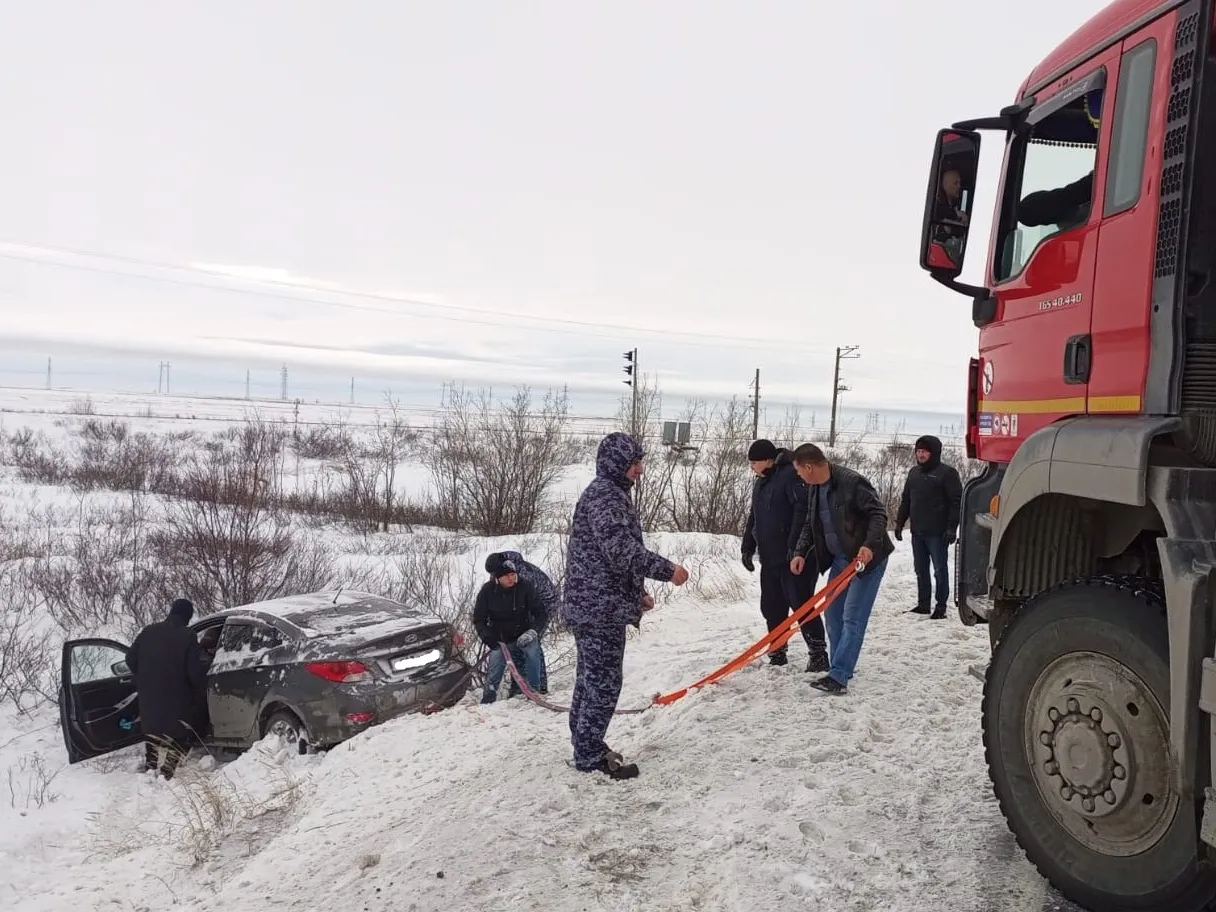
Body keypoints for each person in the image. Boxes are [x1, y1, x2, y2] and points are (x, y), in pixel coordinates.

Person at [563, 432, 689, 780]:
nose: (640, 470)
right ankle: (588, 754)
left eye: (640, 462)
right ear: (619, 464)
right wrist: (668, 571)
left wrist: (636, 595)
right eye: (635, 463)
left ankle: (585, 742)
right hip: (597, 609)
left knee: (589, 679)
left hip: (595, 604)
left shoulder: (607, 493)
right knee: (603, 682)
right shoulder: (606, 498)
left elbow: (606, 559)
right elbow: (621, 551)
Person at [790, 444, 894, 695]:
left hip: (866, 560)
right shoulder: (814, 489)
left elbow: (878, 515)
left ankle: (839, 676)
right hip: (840, 561)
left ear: (808, 467)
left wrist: (869, 546)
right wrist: (800, 552)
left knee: (852, 617)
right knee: (833, 613)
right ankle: (840, 664)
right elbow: (810, 523)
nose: (798, 477)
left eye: (798, 471)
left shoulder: (852, 483)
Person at [741, 438, 829, 672]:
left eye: (754, 462)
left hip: (795, 558)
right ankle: (777, 650)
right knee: (772, 606)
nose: (751, 466)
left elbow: (804, 514)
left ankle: (818, 653)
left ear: (768, 460)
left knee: (801, 605)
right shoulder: (760, 482)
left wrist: (795, 549)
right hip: (769, 557)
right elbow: (755, 516)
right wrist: (748, 546)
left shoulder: (791, 475)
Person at [125, 598, 209, 780]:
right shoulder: (187, 636)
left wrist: (142, 677)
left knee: (152, 728)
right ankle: (168, 768)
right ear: (187, 616)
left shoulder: (148, 631)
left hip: (149, 692)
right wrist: (200, 688)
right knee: (181, 730)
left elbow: (130, 658)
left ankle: (151, 765)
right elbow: (194, 669)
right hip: (177, 693)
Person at [894, 435, 963, 619]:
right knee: (920, 569)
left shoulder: (947, 474)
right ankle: (923, 604)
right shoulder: (914, 473)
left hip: (938, 533)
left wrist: (951, 528)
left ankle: (941, 606)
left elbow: (956, 502)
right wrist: (900, 524)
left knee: (940, 570)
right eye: (918, 451)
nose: (920, 454)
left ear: (934, 453)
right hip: (918, 532)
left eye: (924, 451)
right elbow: (906, 500)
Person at [472, 560, 546, 704]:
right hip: (500, 639)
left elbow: (541, 613)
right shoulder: (487, 591)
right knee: (494, 669)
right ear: (497, 578)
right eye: (506, 576)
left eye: (513, 574)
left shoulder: (525, 586)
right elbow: (479, 619)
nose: (511, 579)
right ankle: (488, 699)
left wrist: (533, 631)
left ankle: (533, 692)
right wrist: (488, 637)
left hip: (524, 633)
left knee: (532, 653)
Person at [484, 550, 553, 695]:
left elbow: (521, 601)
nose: (493, 577)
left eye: (494, 573)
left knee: (530, 643)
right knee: (517, 644)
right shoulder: (508, 569)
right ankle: (520, 686)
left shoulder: (519, 575)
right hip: (530, 605)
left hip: (543, 605)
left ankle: (537, 687)